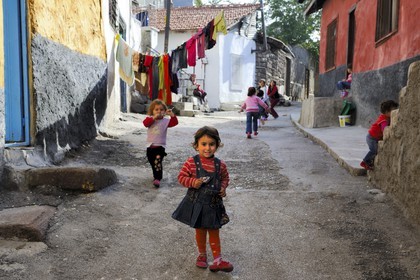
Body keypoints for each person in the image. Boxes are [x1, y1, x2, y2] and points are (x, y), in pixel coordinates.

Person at [172, 126, 233, 273]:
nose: (207, 148)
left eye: (211, 144)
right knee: (200, 231)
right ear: (196, 145)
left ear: (217, 145)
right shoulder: (191, 163)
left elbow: (225, 178)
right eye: (203, 144)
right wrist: (193, 182)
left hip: (213, 205)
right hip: (197, 204)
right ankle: (202, 255)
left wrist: (223, 188)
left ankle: (217, 260)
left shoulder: (220, 165)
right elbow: (181, 177)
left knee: (214, 231)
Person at [143, 99, 178, 187]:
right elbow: (145, 124)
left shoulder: (165, 121)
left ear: (165, 111)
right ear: (152, 111)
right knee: (152, 162)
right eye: (156, 109)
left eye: (161, 109)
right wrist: (153, 118)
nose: (159, 111)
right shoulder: (150, 119)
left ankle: (157, 178)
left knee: (157, 162)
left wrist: (172, 115)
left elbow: (175, 122)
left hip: (160, 147)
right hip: (150, 146)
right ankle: (156, 175)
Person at [360, 100, 399, 170]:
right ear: (387, 112)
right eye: (393, 110)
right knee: (374, 150)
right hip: (371, 138)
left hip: (375, 138)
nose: (395, 112)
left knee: (376, 150)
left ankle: (370, 162)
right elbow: (384, 129)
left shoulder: (388, 118)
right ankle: (365, 162)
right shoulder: (383, 119)